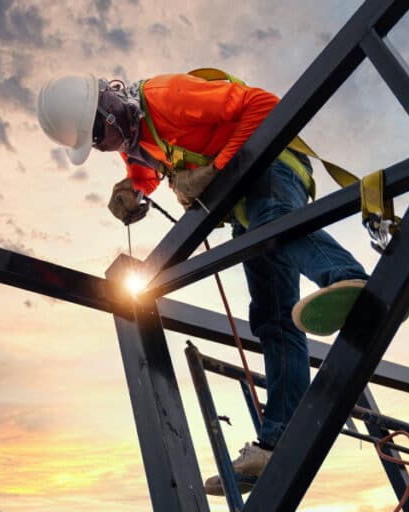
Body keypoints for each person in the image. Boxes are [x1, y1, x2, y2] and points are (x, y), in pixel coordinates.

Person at [36, 72, 370, 495]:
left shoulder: (165, 97)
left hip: (273, 168)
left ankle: (348, 277)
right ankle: (277, 441)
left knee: (273, 225)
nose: (104, 146)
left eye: (99, 134)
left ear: (110, 107)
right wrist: (133, 189)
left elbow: (264, 104)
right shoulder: (137, 139)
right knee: (271, 317)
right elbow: (153, 168)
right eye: (96, 143)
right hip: (245, 202)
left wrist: (217, 168)